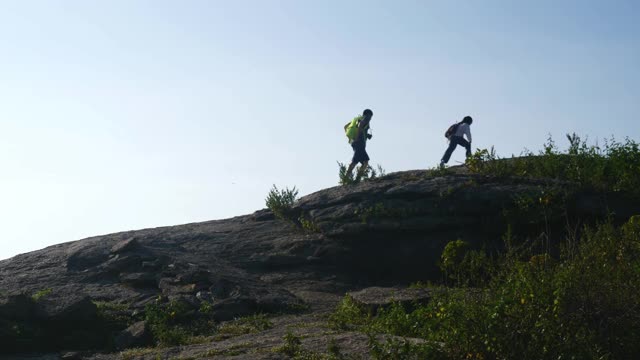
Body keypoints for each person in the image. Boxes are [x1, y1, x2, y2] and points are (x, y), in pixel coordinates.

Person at [346, 109, 373, 180]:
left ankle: (348, 178)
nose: (370, 118)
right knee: (363, 161)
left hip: (354, 142)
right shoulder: (365, 119)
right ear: (367, 115)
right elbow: (360, 126)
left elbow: (346, 126)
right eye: (370, 116)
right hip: (359, 143)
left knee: (358, 161)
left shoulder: (357, 119)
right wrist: (357, 138)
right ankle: (356, 178)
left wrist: (366, 135)